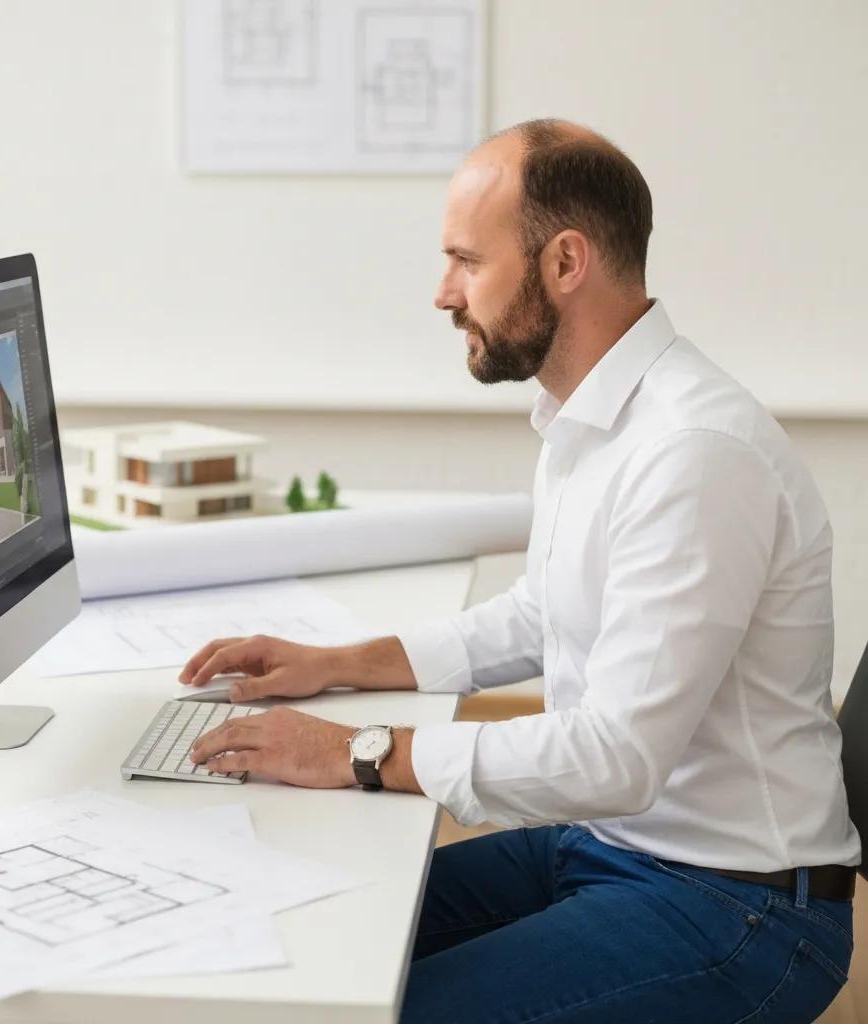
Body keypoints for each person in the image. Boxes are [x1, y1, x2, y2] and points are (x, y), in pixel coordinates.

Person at [184, 119, 859, 1023]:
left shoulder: (695, 452)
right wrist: (337, 662)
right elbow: (543, 616)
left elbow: (616, 756)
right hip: (613, 848)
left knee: (385, 1007)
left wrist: (356, 751)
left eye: (467, 260)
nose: (442, 293)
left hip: (736, 907)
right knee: (312, 941)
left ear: (564, 263)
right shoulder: (589, 417)